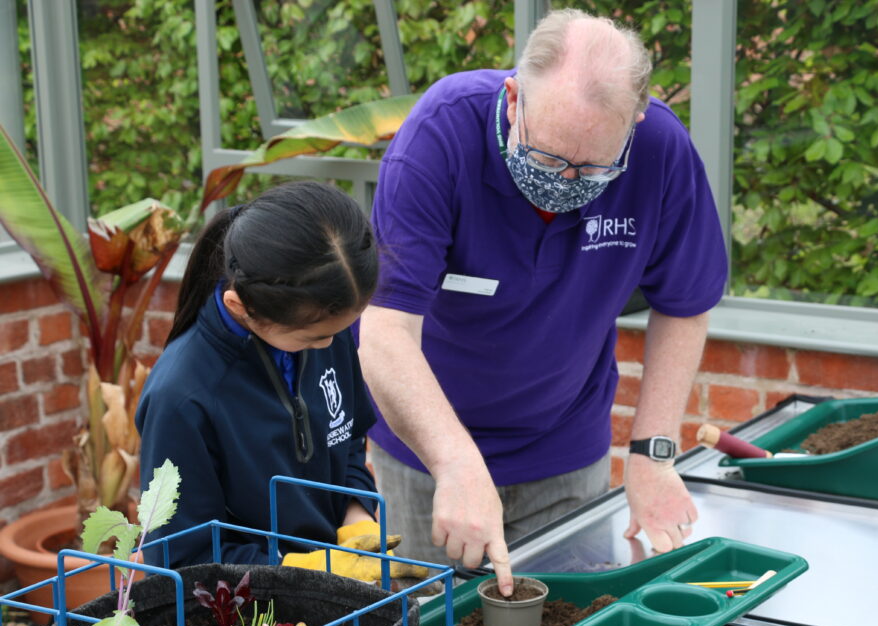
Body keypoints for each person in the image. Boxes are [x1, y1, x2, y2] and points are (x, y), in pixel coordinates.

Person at [358, 9, 727, 595]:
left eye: (592, 167)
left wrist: (653, 454)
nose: (565, 182)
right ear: (512, 99)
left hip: (564, 450)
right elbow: (383, 332)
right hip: (425, 455)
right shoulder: (440, 135)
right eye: (548, 157)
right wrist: (454, 463)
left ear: (635, 120)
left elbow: (685, 301)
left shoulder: (661, 150)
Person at [138, 181, 423, 582]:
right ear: (242, 307)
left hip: (333, 592)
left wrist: (356, 516)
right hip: (245, 620)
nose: (331, 344)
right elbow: (182, 556)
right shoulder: (182, 397)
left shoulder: (324, 324)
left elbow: (348, 447)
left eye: (340, 331)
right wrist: (300, 569)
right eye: (314, 338)